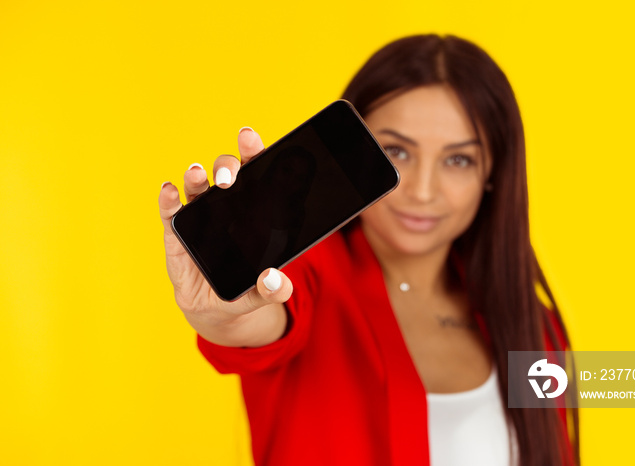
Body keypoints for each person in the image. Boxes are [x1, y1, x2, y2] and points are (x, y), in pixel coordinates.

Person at [158, 34, 579, 466]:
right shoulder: (307, 275)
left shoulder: (532, 325)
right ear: (352, 152)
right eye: (396, 151)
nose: (422, 191)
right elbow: (261, 317)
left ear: (493, 174)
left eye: (458, 160)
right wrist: (219, 311)